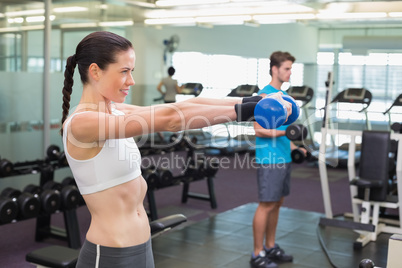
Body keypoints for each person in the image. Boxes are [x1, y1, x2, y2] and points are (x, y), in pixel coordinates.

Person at [60, 31, 293, 268]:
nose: (131, 80)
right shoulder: (82, 124)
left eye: (132, 71)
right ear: (95, 71)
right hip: (109, 255)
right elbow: (171, 119)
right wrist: (244, 112)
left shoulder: (115, 111)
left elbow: (184, 105)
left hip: (141, 248)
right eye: (124, 71)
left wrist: (253, 102)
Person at [250, 51, 307, 268]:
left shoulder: (284, 96)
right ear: (275, 69)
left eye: (291, 68)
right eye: (287, 68)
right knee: (266, 204)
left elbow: (284, 130)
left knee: (277, 203)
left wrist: (297, 147)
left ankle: (270, 246)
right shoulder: (265, 96)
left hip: (283, 156)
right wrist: (287, 134)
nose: (290, 72)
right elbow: (258, 129)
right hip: (269, 158)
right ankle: (257, 253)